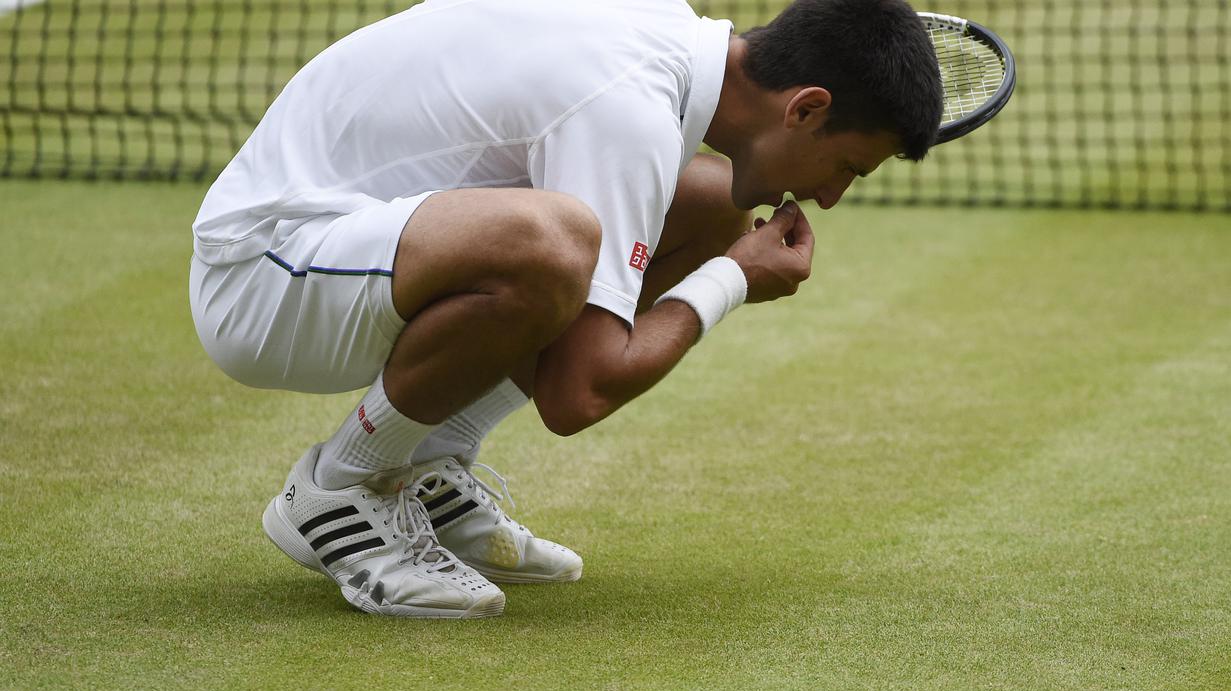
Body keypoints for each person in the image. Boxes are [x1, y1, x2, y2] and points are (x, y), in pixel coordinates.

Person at [189, 0, 943, 618]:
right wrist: (730, 281)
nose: (832, 195)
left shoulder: (665, 38)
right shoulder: (630, 109)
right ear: (807, 108)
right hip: (264, 279)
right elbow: (577, 393)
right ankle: (343, 487)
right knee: (551, 245)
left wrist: (722, 252)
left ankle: (428, 459)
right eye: (846, 167)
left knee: (711, 203)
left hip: (358, 243)